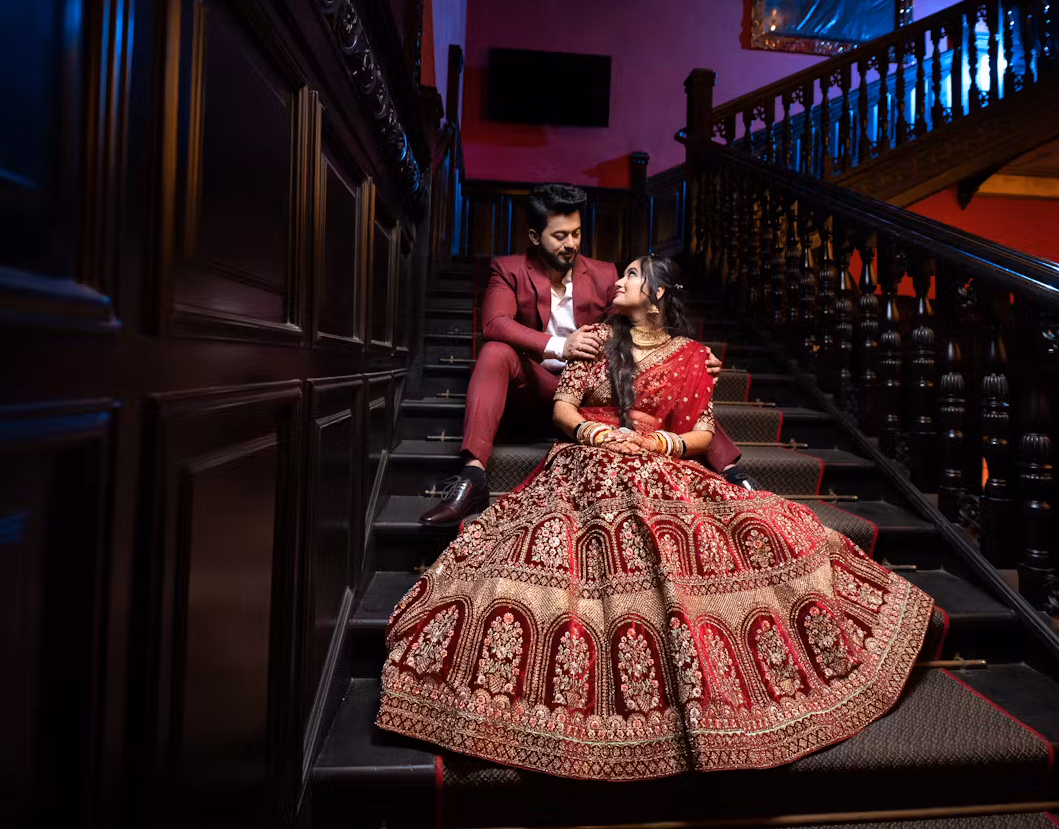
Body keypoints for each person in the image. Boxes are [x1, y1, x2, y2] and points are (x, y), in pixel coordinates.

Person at [377, 256, 935, 780]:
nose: (617, 281)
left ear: (658, 293)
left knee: (744, 525)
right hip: (588, 458)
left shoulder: (692, 355)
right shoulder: (596, 342)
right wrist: (596, 433)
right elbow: (562, 406)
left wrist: (661, 444)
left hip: (658, 457)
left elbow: (701, 431)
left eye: (632, 275)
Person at [420, 183, 754, 527]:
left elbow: (644, 321)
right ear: (535, 237)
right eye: (560, 236)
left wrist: (694, 360)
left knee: (665, 375)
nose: (571, 244)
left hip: (593, 396)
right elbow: (495, 323)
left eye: (577, 234)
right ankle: (473, 478)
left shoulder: (604, 273)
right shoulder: (509, 270)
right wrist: (559, 346)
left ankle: (729, 468)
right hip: (537, 386)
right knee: (494, 351)